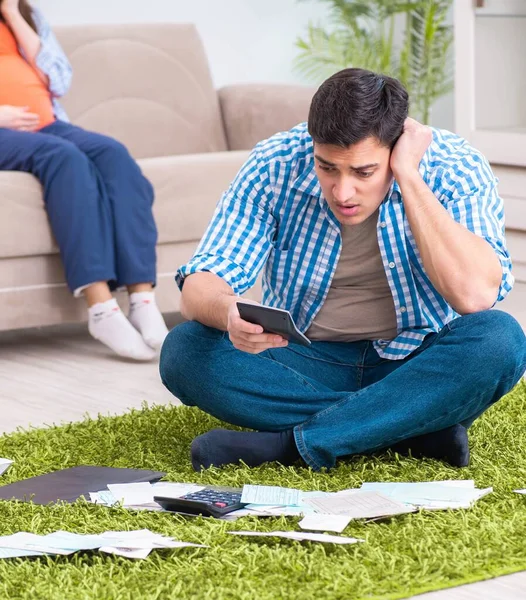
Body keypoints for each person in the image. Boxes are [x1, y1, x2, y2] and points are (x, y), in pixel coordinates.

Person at [160, 68, 526, 472]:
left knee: (500, 339)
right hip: (303, 359)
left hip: (416, 361)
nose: (343, 192)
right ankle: (409, 429)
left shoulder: (452, 167)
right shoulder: (274, 163)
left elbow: (475, 296)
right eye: (328, 167)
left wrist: (408, 176)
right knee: (185, 349)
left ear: (397, 147)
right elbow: (200, 284)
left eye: (364, 172)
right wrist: (228, 310)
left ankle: (293, 446)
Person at [0, 0, 168, 360]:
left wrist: (12, 13)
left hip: (49, 125)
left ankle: (141, 297)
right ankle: (101, 309)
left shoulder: (25, 16)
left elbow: (58, 78)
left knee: (113, 154)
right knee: (65, 159)